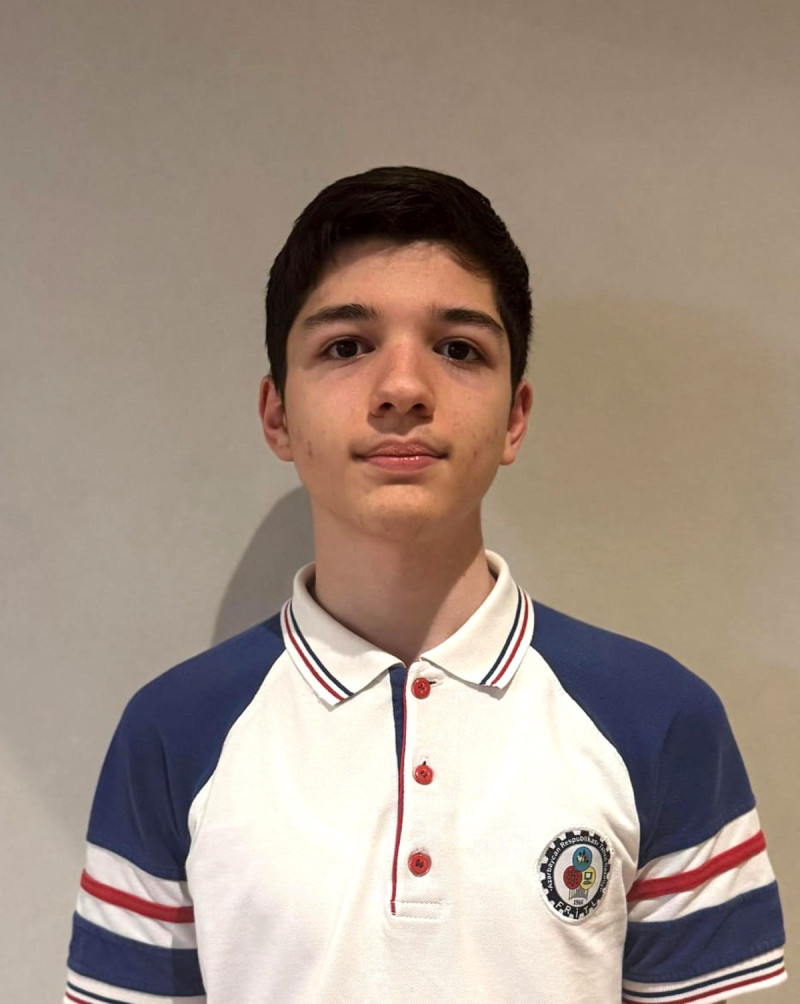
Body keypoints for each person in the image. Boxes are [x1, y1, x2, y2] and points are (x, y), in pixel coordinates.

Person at [63, 166, 787, 1003]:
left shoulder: (660, 720)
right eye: (346, 346)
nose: (403, 389)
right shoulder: (171, 735)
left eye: (458, 349)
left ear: (515, 417)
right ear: (277, 416)